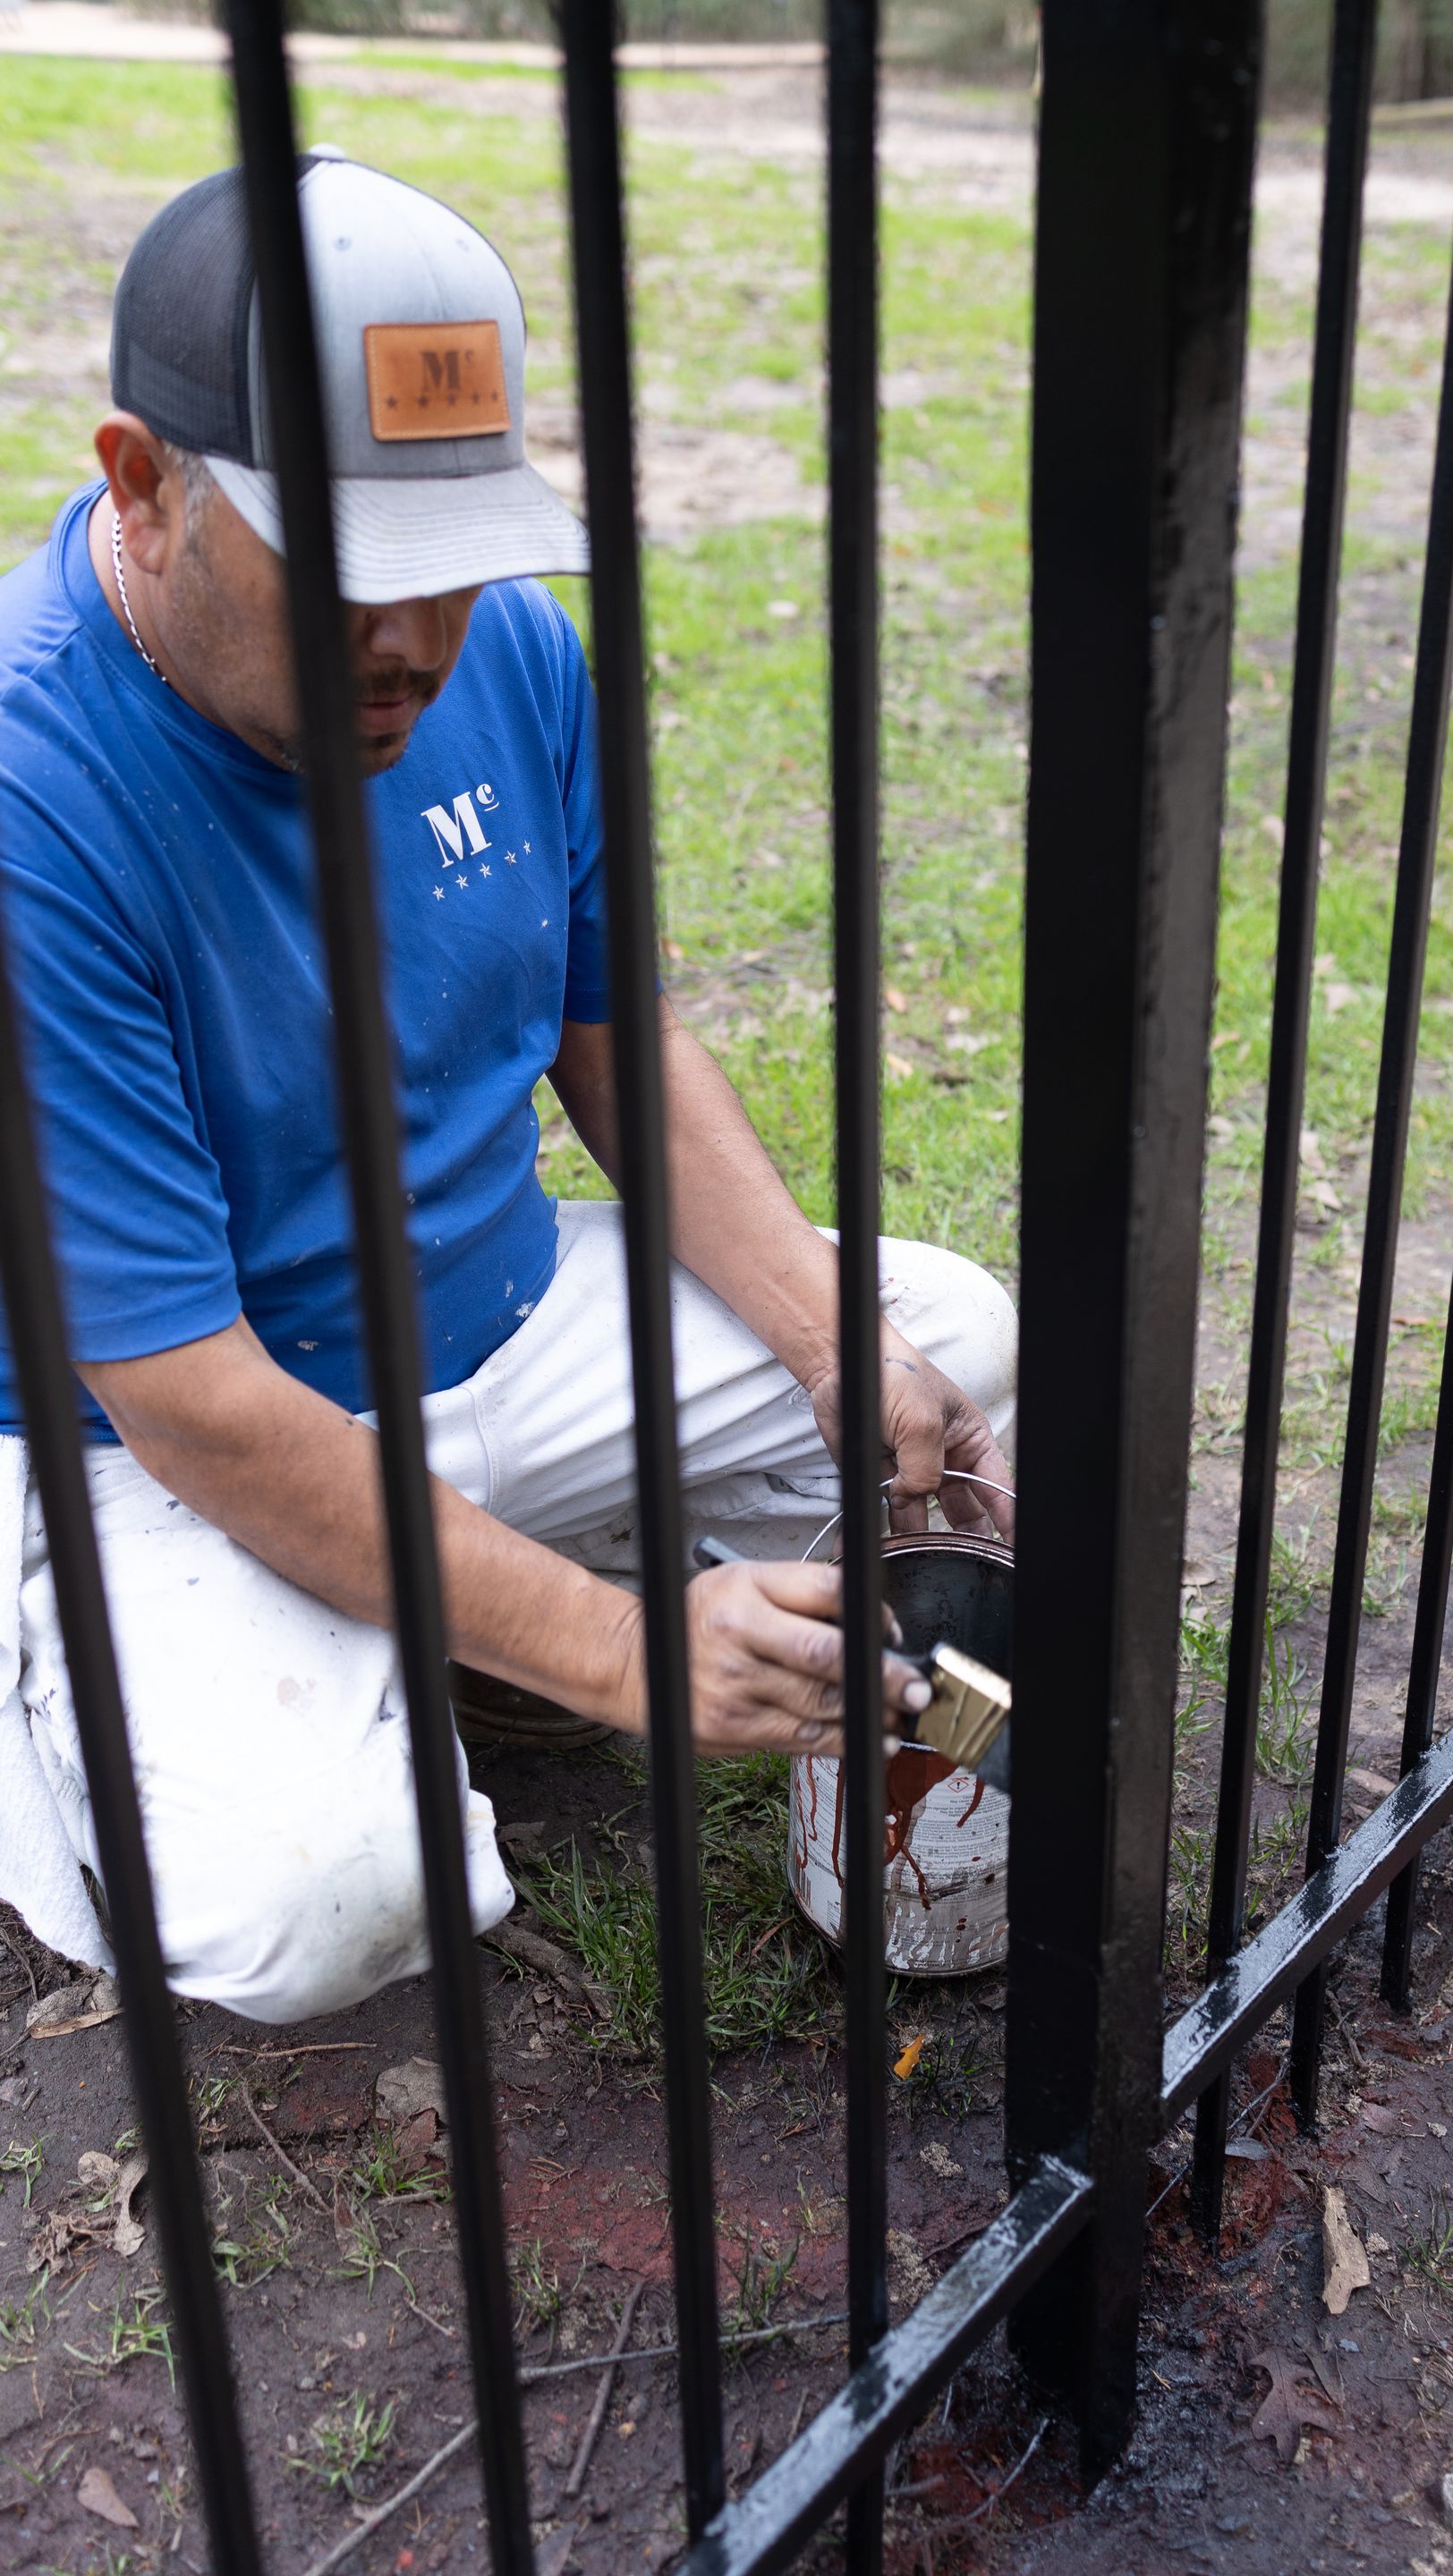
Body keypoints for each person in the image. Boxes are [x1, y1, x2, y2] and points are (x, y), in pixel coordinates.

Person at [0, 149, 1015, 2024]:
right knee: (342, 1900)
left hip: (497, 1322)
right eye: (349, 572)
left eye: (450, 559)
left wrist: (821, 1335)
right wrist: (629, 1659)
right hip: (152, 1449)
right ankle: (72, 1716)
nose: (416, 638)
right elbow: (189, 1399)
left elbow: (612, 1036)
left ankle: (449, 1604)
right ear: (141, 483)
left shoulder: (515, 658)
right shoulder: (27, 792)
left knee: (947, 1348)